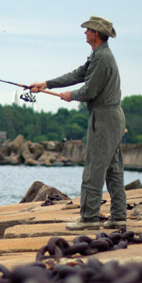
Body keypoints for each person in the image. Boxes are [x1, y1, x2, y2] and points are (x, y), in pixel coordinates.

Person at [28, 16, 126, 231]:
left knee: (94, 168)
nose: (85, 33)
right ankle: (118, 217)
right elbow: (78, 74)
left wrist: (69, 95)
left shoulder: (102, 58)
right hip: (111, 118)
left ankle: (89, 219)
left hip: (104, 119)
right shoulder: (98, 56)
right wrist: (46, 84)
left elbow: (89, 90)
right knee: (113, 169)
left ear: (96, 34)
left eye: (88, 30)